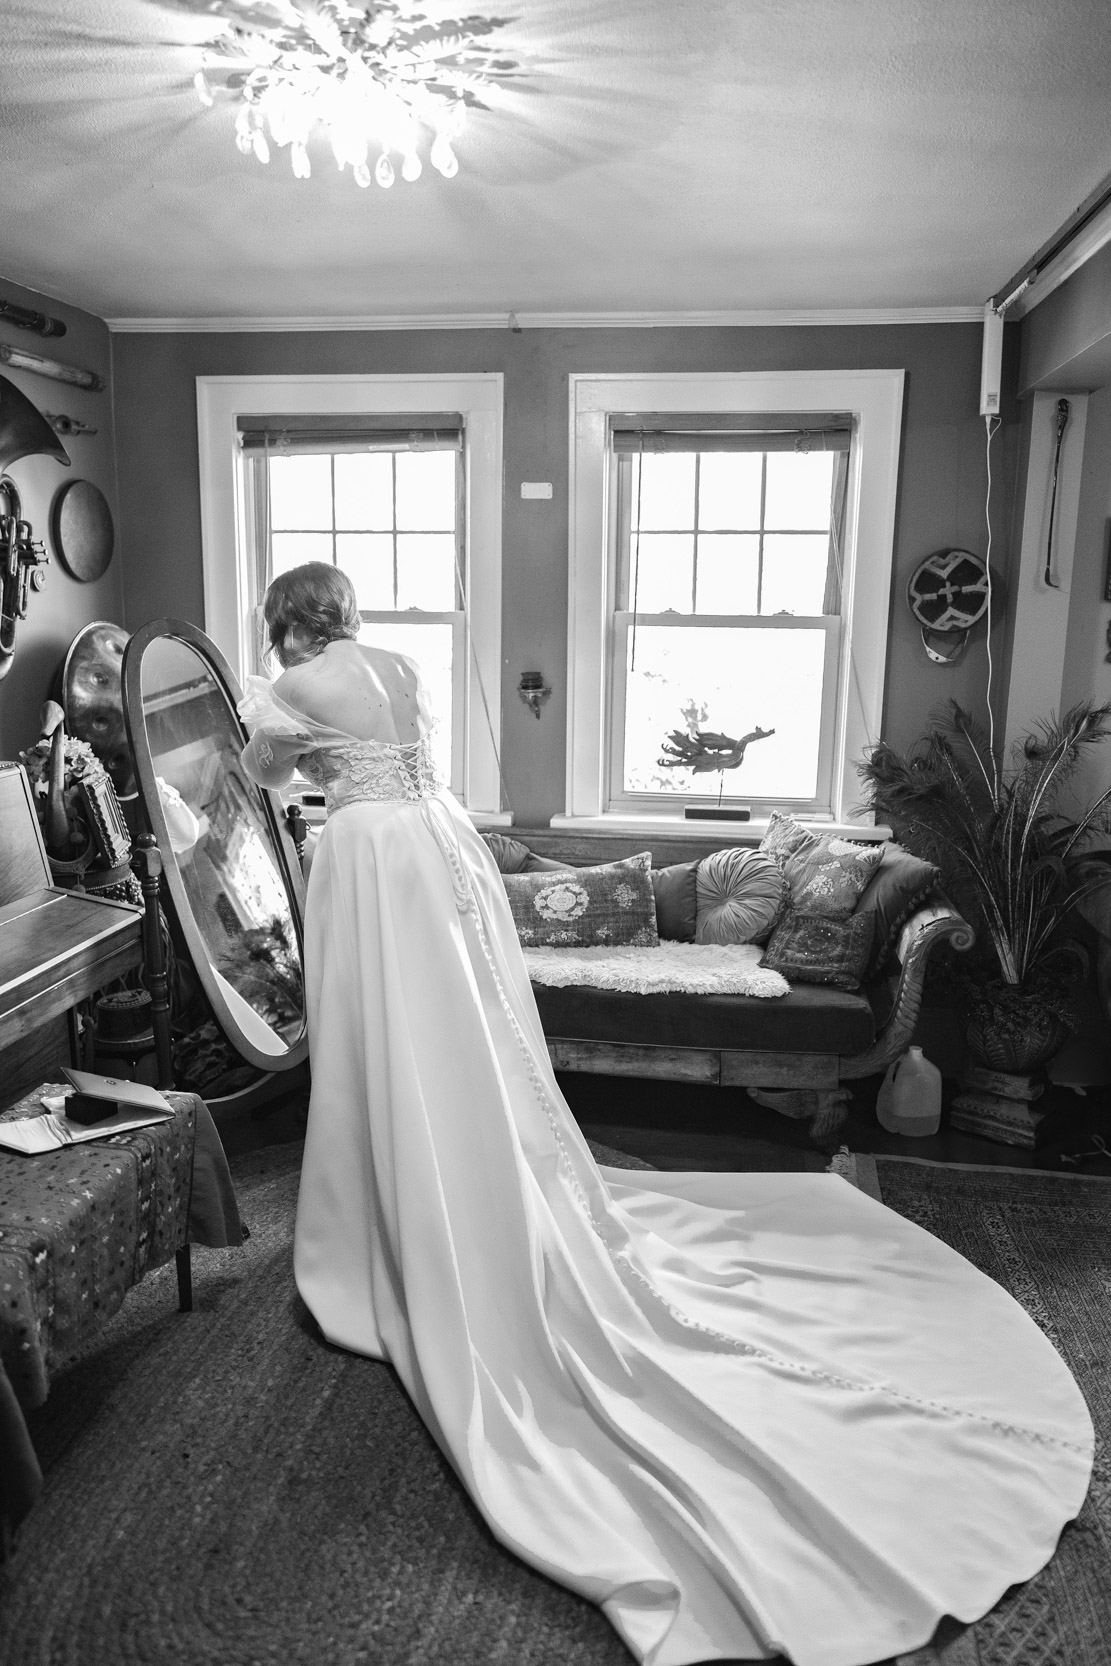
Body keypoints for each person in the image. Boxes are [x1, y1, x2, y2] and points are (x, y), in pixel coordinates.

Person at [240, 561, 1092, 1666]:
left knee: (381, 1034)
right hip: (435, 846)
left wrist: (269, 704)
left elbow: (262, 768)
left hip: (369, 856)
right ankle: (433, 1171)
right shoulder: (400, 662)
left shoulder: (296, 683)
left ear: (286, 624)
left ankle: (391, 1214)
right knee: (451, 1036)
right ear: (348, 612)